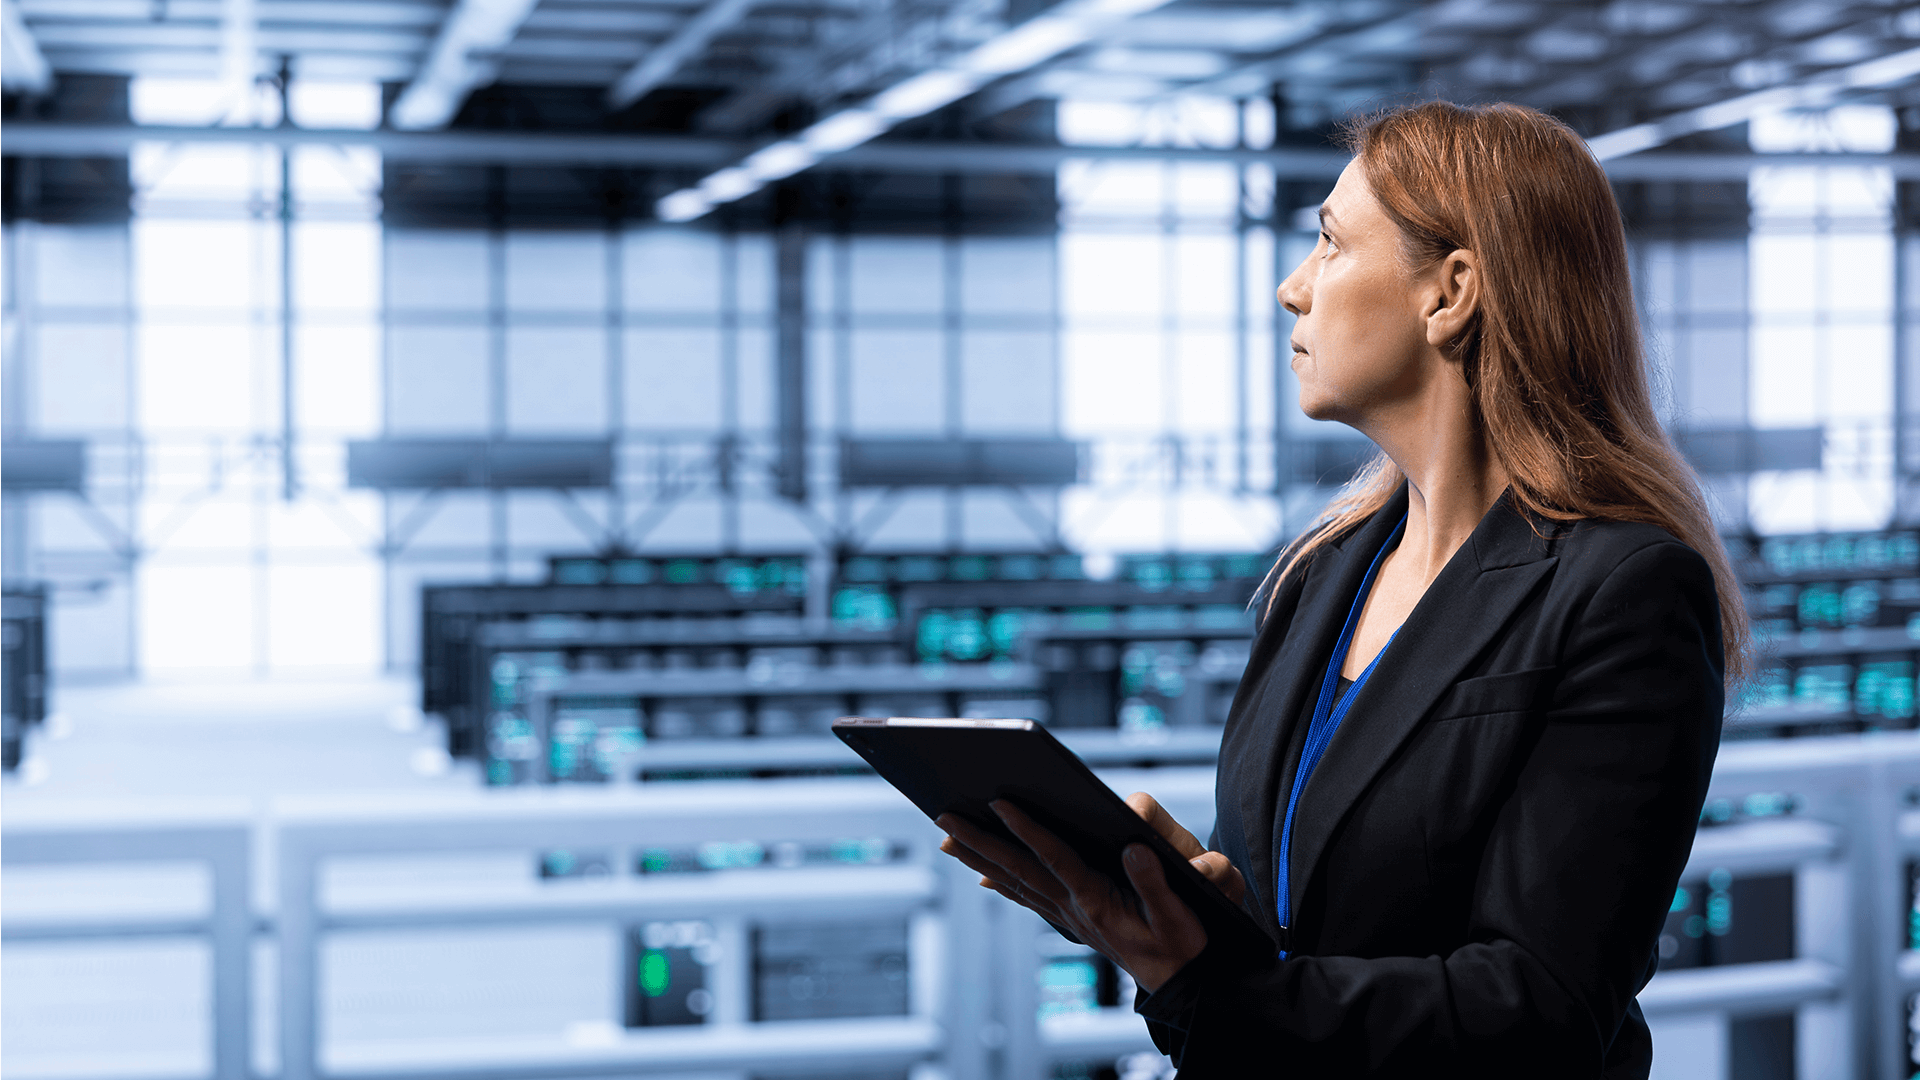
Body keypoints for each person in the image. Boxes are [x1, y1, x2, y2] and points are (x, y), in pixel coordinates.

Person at [935, 101, 1747, 1077]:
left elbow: (1538, 1007)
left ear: (1450, 293)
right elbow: (1289, 932)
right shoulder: (1323, 571)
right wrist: (1163, 913)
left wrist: (1208, 979)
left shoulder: (1623, 590)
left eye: (1328, 242)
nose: (1292, 289)